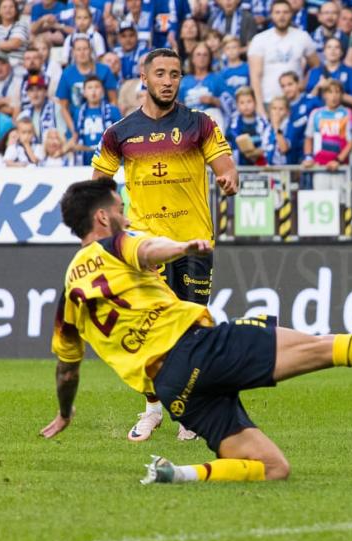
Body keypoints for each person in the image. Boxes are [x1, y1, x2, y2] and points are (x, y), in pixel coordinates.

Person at [40, 177, 352, 483]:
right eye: (120, 210)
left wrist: (64, 413)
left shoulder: (68, 293)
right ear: (102, 219)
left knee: (273, 468)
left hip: (174, 388)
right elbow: (150, 247)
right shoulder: (116, 242)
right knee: (325, 347)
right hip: (199, 348)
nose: (125, 216)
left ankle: (177, 473)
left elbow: (67, 368)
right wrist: (183, 247)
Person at [91, 48, 240, 443]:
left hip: (193, 244)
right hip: (143, 244)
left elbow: (226, 167)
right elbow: (99, 184)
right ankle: (153, 409)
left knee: (190, 331)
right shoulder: (119, 132)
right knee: (149, 329)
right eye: (160, 73)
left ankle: (189, 413)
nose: (168, 80)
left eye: (175, 73)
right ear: (145, 77)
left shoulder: (200, 125)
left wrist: (229, 180)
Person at [248, 0, 319, 117]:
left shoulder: (302, 37)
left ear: (291, 14)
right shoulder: (260, 39)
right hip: (269, 100)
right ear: (271, 15)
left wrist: (304, 84)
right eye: (277, 12)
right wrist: (259, 105)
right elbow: (255, 76)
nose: (282, 16)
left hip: (296, 100)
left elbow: (316, 66)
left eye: (286, 12)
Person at [302, 78, 352, 189]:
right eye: (330, 92)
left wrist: (338, 161)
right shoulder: (316, 114)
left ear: (341, 94)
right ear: (324, 94)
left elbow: (351, 142)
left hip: (340, 168)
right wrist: (308, 158)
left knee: (342, 203)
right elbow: (308, 138)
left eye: (337, 92)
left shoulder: (347, 113)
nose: (334, 96)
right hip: (320, 167)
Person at [72, 76, 122, 166]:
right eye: (90, 88)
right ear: (84, 93)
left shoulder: (113, 110)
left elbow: (120, 135)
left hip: (107, 157)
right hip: (85, 158)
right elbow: (76, 136)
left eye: (97, 87)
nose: (93, 91)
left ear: (102, 91)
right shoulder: (79, 113)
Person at [306, 37, 352, 109]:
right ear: (324, 52)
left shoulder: (351, 72)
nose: (333, 50)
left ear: (341, 52)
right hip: (321, 115)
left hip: (343, 114)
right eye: (329, 47)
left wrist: (333, 91)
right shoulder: (315, 72)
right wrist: (318, 86)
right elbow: (308, 101)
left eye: (337, 47)